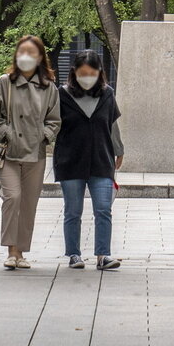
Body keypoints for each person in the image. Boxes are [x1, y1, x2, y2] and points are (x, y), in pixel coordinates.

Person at [0, 36, 60, 270]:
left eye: (31, 53)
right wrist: (6, 133)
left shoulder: (49, 87)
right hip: (9, 153)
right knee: (12, 197)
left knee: (29, 202)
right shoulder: (5, 82)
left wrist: (44, 136)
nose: (26, 57)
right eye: (22, 52)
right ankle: (10, 250)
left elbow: (55, 119)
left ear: (40, 58)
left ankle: (21, 252)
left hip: (35, 154)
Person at [53, 50, 123, 271]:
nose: (87, 77)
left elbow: (112, 125)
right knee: (73, 210)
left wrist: (119, 150)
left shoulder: (107, 94)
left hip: (101, 159)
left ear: (99, 73)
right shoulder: (62, 94)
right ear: (74, 72)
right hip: (70, 160)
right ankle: (74, 254)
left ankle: (103, 255)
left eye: (92, 73)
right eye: (83, 73)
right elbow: (53, 124)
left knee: (103, 208)